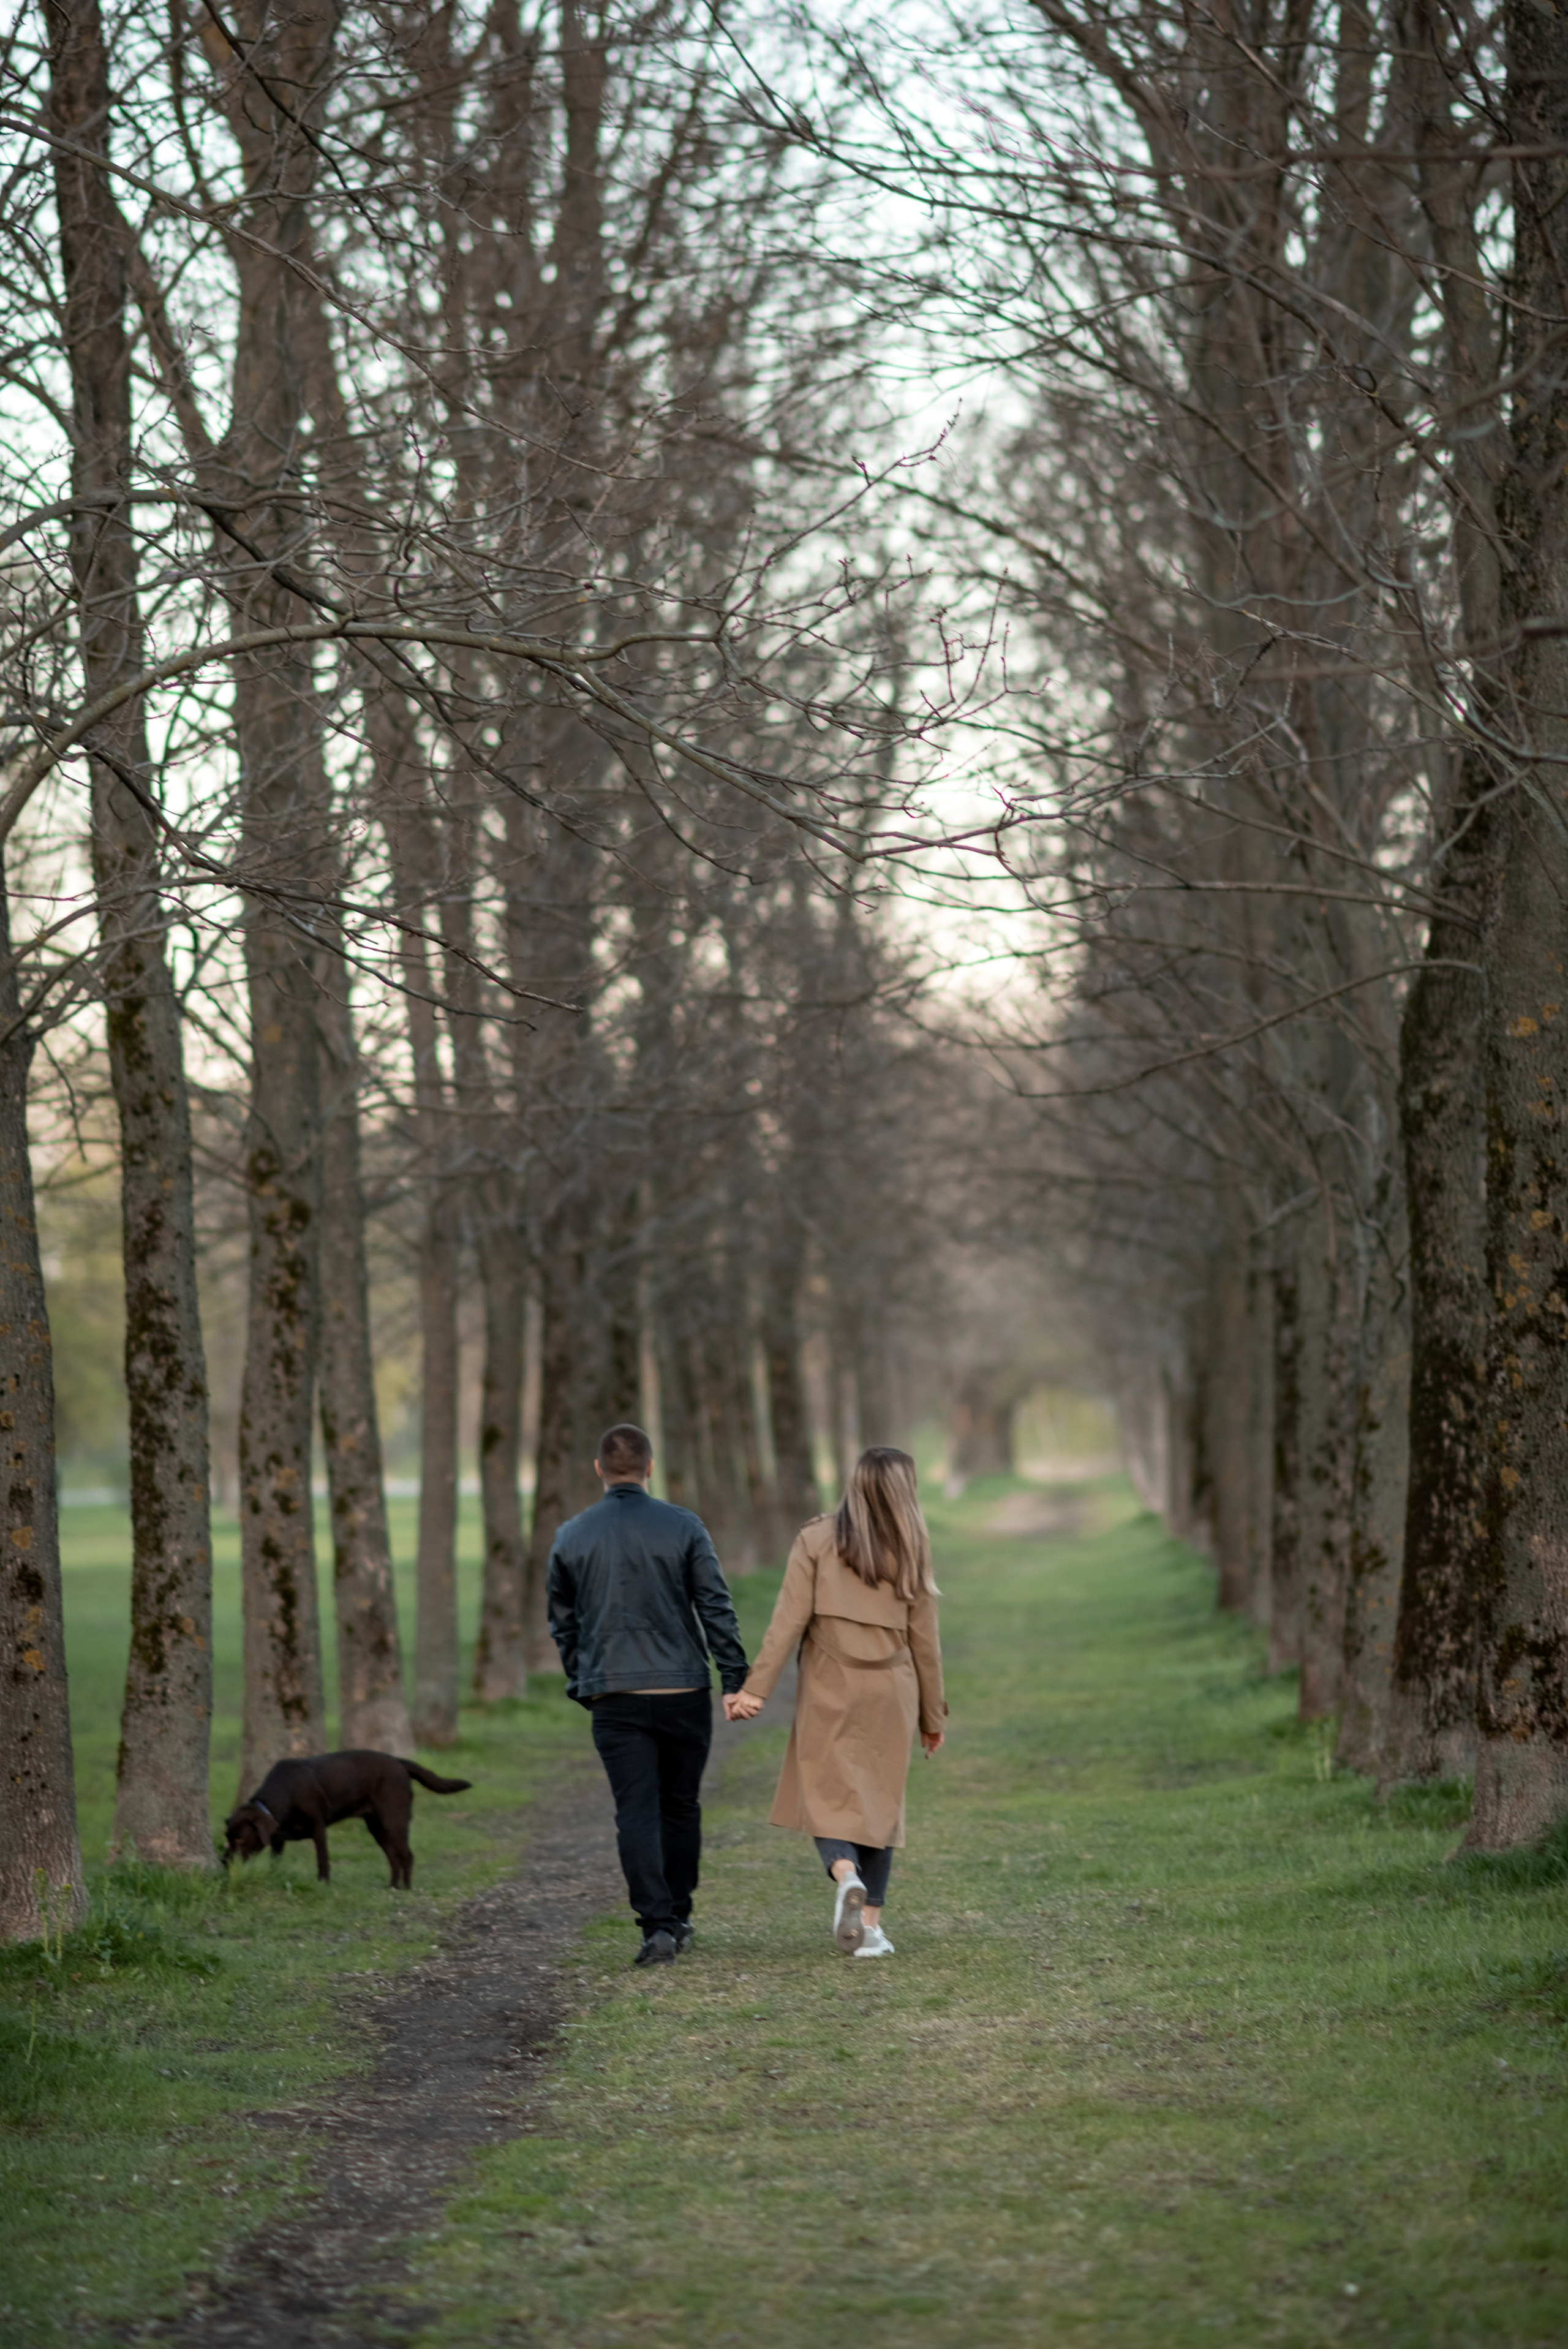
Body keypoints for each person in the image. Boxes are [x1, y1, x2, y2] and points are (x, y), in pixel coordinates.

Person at [723, 1445, 946, 1957]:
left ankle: (846, 1874)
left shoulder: (816, 1539)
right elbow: (926, 1644)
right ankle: (869, 1928)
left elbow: (788, 1622)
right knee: (881, 1804)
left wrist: (755, 1689)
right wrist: (932, 1717)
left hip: (831, 1685)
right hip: (893, 1689)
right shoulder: (913, 1547)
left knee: (825, 1795)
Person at [548, 1422, 749, 1969]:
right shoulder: (683, 1526)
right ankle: (678, 1915)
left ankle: (656, 1926)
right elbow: (715, 1606)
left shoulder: (571, 1535)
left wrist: (581, 1681)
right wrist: (734, 1677)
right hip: (683, 1686)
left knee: (634, 1810)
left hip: (613, 1693)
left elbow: (562, 1623)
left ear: (598, 1470)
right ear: (650, 1468)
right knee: (680, 1805)